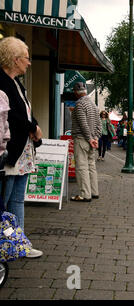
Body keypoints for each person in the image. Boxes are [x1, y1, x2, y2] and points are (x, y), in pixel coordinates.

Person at [0, 36, 43, 258]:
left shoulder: (16, 83)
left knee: (16, 198)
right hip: (9, 150)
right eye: (26, 58)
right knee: (4, 200)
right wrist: (33, 128)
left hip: (22, 150)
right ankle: (6, 245)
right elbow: (14, 116)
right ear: (15, 60)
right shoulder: (2, 82)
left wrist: (34, 129)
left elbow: (25, 110)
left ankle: (18, 244)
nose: (29, 63)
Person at [70, 82, 101, 202]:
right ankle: (94, 192)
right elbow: (98, 124)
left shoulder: (79, 104)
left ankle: (85, 194)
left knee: (81, 167)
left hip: (82, 139)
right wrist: (96, 138)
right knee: (91, 166)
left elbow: (83, 125)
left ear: (75, 93)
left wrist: (89, 138)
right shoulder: (93, 104)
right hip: (92, 140)